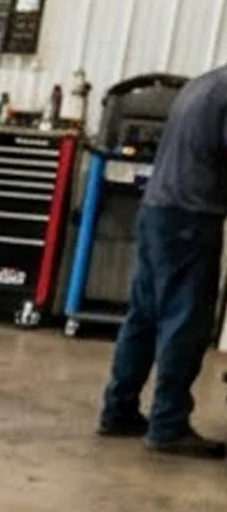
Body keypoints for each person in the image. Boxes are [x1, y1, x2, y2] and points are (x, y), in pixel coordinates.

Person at [101, 61, 227, 456]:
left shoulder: (204, 84)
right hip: (191, 218)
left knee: (144, 316)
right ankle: (168, 425)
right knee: (184, 323)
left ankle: (118, 411)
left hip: (158, 210)